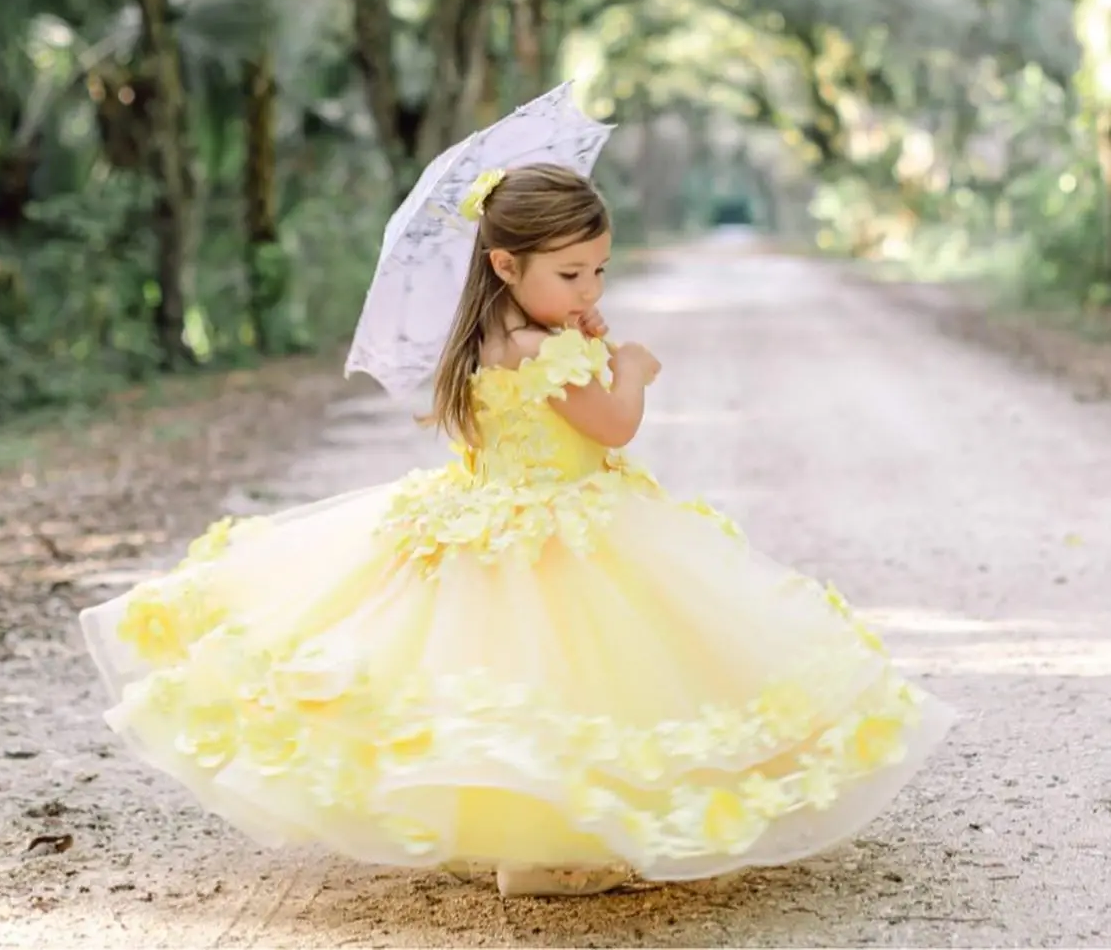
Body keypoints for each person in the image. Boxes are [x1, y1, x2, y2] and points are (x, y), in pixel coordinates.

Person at [80, 163, 954, 899]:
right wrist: (633, 368)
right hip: (565, 527)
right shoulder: (542, 350)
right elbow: (611, 427)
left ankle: (514, 829)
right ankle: (548, 852)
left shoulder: (489, 336)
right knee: (575, 677)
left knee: (496, 683)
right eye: (570, 275)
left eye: (600, 271)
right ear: (504, 261)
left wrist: (587, 334)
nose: (589, 290)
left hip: (497, 515)